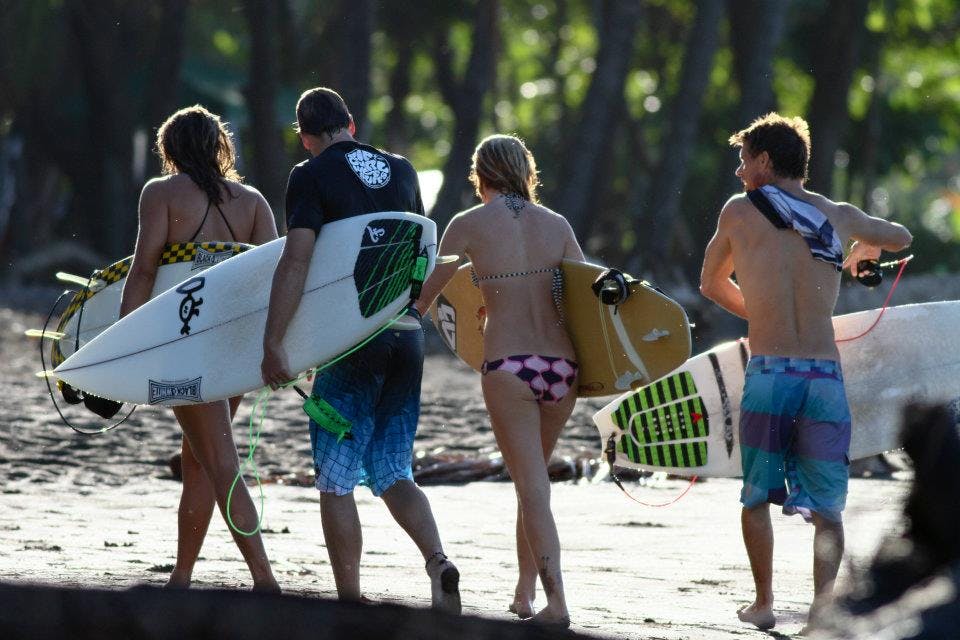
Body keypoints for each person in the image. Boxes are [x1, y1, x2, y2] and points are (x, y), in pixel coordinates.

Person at [699, 112, 912, 631]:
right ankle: (822, 610)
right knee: (828, 507)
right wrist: (863, 247)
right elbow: (901, 235)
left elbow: (709, 283)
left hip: (770, 371)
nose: (739, 172)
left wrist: (763, 313)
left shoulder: (737, 212)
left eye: (745, 160)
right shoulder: (837, 214)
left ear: (765, 161)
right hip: (823, 377)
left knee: (757, 494)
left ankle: (765, 603)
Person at [259, 87, 460, 613]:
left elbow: (297, 261)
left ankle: (349, 603)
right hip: (404, 336)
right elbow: (424, 253)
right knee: (394, 470)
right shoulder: (403, 170)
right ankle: (438, 561)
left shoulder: (310, 175)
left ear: (305, 137)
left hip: (351, 343)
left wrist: (274, 341)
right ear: (350, 121)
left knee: (336, 478)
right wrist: (413, 314)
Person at [415, 134, 584, 627]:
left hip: (509, 366)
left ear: (479, 175)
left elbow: (424, 301)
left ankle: (558, 604)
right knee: (530, 482)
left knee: (532, 485)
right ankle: (525, 593)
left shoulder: (466, 224)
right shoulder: (556, 224)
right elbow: (579, 294)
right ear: (526, 172)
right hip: (562, 369)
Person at [120, 105, 280, 591]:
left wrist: (126, 338)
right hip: (236, 346)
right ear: (218, 147)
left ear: (170, 149)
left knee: (220, 460)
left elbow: (145, 268)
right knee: (198, 460)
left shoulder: (161, 193)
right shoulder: (253, 202)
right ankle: (182, 575)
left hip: (185, 343)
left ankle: (265, 579)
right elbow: (273, 277)